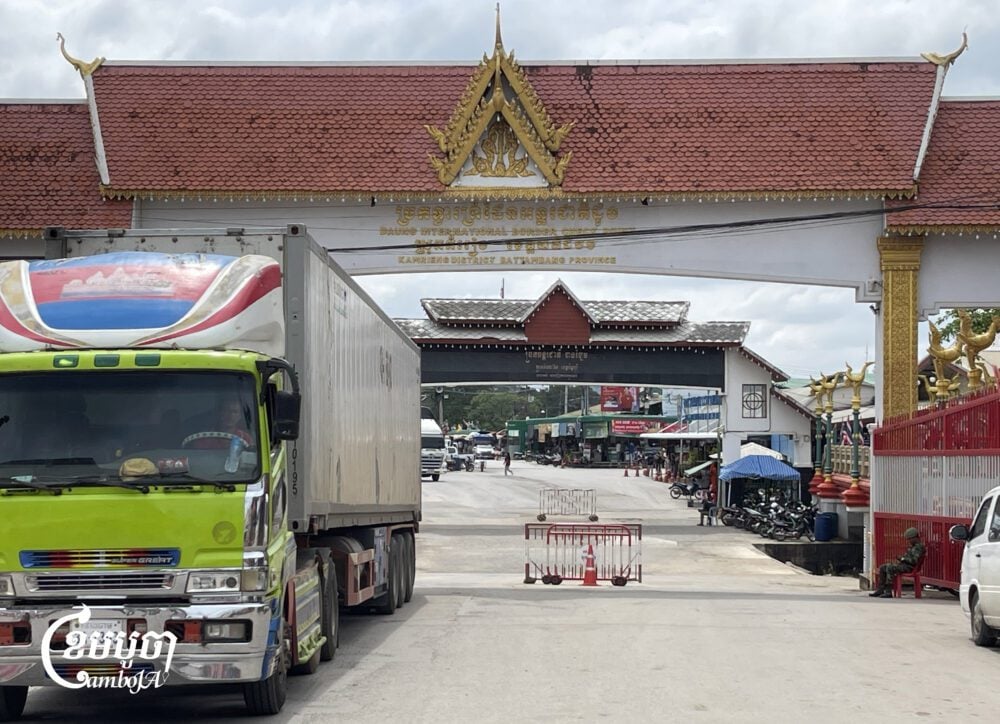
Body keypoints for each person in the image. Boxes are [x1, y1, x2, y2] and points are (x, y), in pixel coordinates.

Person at [869, 527, 926, 598]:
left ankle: (888, 591)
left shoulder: (918, 547)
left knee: (890, 567)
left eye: (909, 539)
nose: (909, 541)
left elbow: (914, 561)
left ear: (914, 537)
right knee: (883, 567)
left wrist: (902, 558)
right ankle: (880, 589)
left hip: (909, 567)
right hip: (905, 565)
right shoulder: (914, 547)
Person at [187, 400, 254, 450]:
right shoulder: (203, 438)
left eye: (235, 412)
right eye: (226, 410)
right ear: (219, 413)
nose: (230, 415)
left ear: (240, 416)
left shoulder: (245, 438)